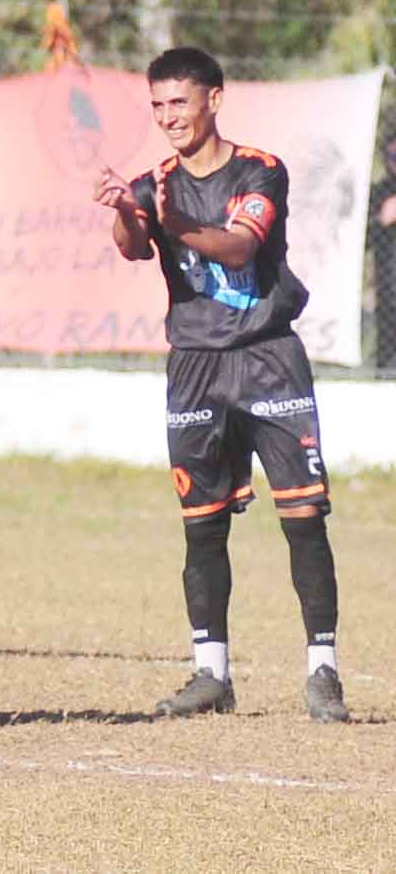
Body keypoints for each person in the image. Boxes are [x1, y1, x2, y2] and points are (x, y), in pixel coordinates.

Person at [93, 46, 347, 722]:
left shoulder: (260, 170)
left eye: (179, 101)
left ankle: (323, 670)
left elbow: (240, 246)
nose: (168, 116)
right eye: (157, 105)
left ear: (214, 98)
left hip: (268, 357)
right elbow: (132, 245)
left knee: (301, 517)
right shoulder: (154, 184)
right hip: (196, 366)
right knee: (201, 529)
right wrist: (125, 207)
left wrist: (171, 220)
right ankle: (213, 674)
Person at [367, 134, 396, 375]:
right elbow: (360, 238)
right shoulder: (379, 191)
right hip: (388, 286)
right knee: (386, 357)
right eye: (392, 157)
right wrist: (381, 220)